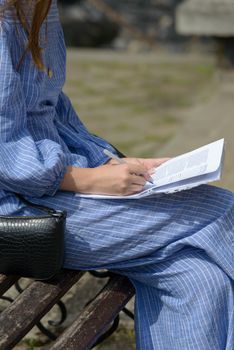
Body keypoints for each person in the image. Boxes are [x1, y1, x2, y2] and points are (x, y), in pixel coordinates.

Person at [0, 1, 233, 349]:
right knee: (221, 211)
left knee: (198, 280)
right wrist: (93, 181)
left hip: (51, 184)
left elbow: (51, 108)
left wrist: (110, 162)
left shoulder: (38, 7)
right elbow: (6, 147)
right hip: (20, 209)